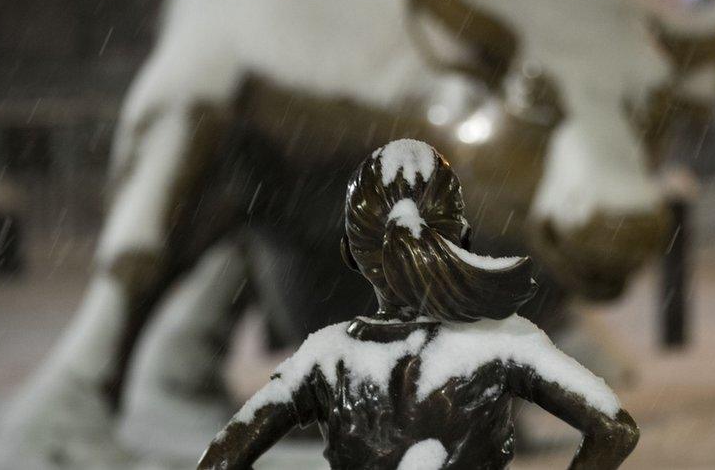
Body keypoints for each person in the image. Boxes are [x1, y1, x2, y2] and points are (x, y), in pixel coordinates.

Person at [197, 139, 638, 469]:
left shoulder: (326, 360)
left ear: (351, 253)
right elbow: (613, 430)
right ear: (462, 235)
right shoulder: (505, 345)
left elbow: (220, 460)